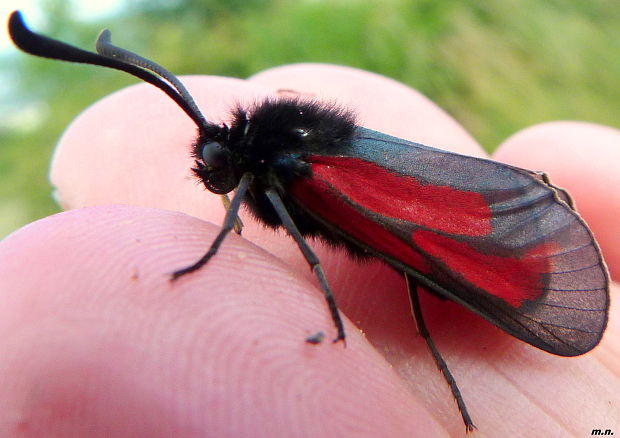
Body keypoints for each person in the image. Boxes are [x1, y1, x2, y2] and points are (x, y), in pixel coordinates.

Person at [0, 64, 617, 436]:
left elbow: (330, 228)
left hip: (498, 266)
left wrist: (232, 250)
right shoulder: (277, 160)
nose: (213, 176)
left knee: (402, 246)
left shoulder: (289, 165)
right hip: (482, 226)